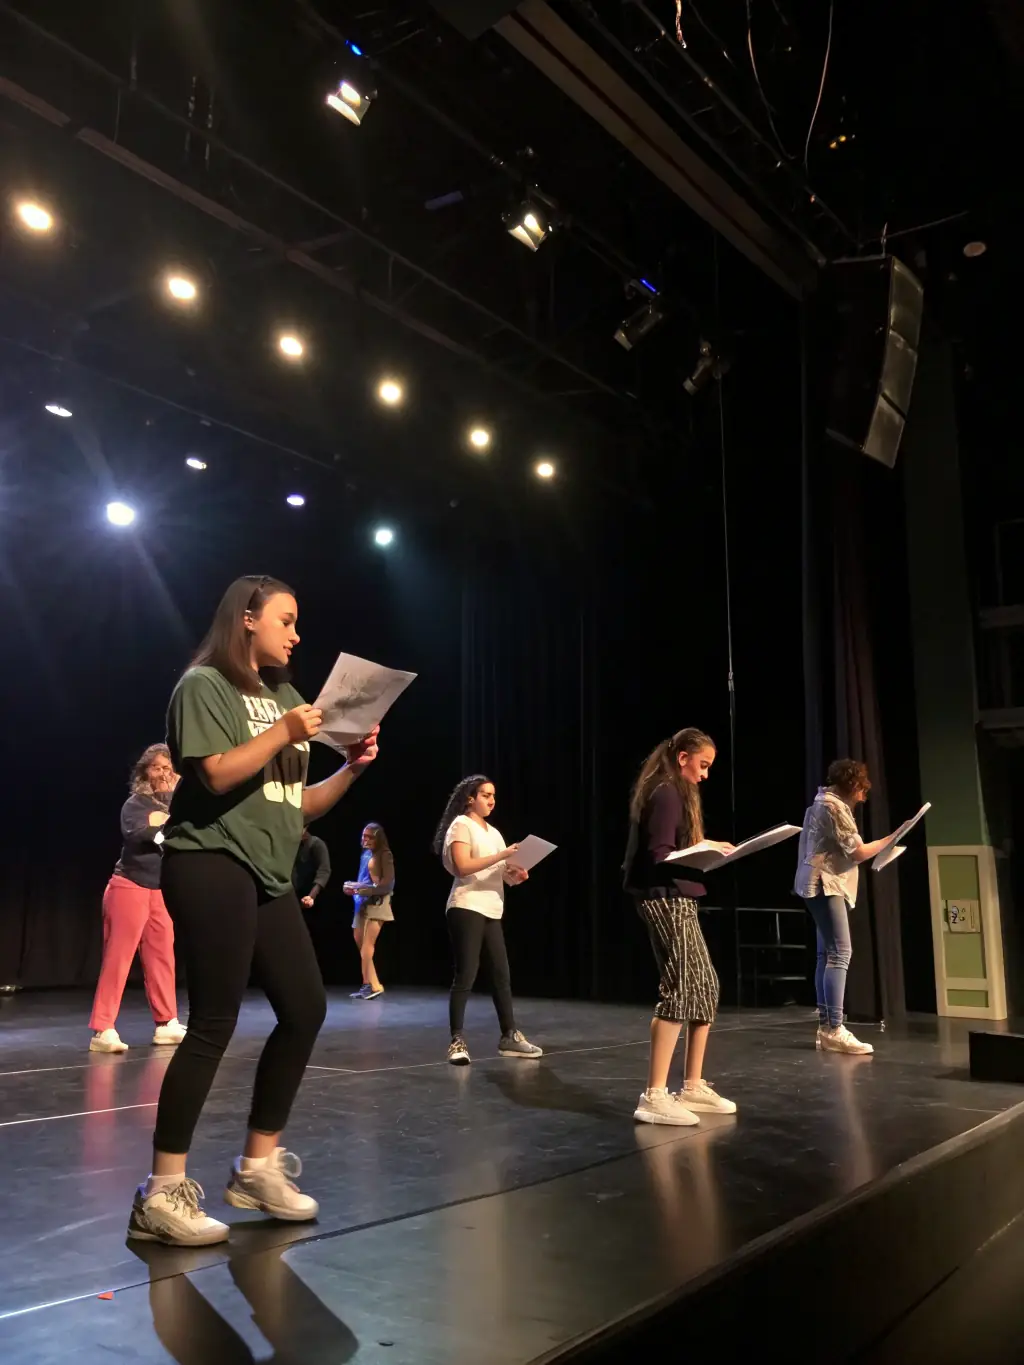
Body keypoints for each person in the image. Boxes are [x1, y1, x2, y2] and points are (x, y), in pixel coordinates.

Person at [127, 574, 379, 1247]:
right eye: (286, 620)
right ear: (246, 619)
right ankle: (161, 1192)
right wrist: (287, 732)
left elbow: (298, 806)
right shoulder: (203, 685)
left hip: (268, 869)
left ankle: (258, 1166)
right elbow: (212, 773)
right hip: (209, 858)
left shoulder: (288, 697)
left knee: (306, 1007)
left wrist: (351, 767)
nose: (297, 634)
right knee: (215, 1018)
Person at [624, 728, 737, 1126]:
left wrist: (708, 848)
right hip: (664, 896)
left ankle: (691, 1085)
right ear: (685, 756)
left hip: (679, 895)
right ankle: (654, 1094)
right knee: (681, 987)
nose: (705, 775)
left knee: (705, 986)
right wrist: (702, 851)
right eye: (703, 765)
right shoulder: (667, 790)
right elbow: (660, 855)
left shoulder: (678, 790)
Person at [433, 775, 542, 1066]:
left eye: (493, 795)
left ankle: (509, 1035)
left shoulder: (494, 832)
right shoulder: (462, 825)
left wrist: (515, 875)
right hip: (466, 905)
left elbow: (500, 872)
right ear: (470, 798)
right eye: (485, 795)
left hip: (492, 907)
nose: (491, 800)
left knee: (501, 974)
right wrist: (503, 855)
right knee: (466, 973)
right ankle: (456, 1040)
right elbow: (463, 867)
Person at [794, 759, 898, 1056]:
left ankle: (827, 1024)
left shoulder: (821, 803)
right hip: (825, 884)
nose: (864, 796)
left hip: (817, 883)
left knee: (826, 953)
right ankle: (834, 1027)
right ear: (853, 785)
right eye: (862, 789)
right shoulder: (833, 806)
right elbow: (859, 851)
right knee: (840, 953)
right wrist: (893, 838)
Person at [88, 744, 186, 1053]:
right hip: (128, 887)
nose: (163, 774)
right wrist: (162, 824)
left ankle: (166, 1022)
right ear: (145, 772)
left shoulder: (176, 806)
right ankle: (102, 1029)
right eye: (157, 768)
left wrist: (166, 818)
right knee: (119, 959)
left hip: (160, 891)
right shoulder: (136, 804)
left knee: (162, 958)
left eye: (168, 768)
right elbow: (141, 835)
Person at [343, 822, 395, 1000]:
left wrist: (362, 889)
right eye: (364, 836)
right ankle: (372, 984)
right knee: (360, 944)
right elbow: (363, 880)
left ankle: (370, 987)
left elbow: (387, 885)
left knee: (367, 947)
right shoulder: (366, 854)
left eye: (370, 837)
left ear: (378, 838)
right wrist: (354, 887)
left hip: (377, 903)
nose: (365, 840)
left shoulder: (384, 855)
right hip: (361, 903)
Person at [293, 827, 331, 909]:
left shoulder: (316, 843)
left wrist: (312, 895)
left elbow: (324, 870)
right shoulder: (291, 844)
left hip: (309, 897)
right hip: (292, 895)